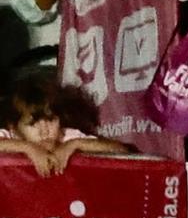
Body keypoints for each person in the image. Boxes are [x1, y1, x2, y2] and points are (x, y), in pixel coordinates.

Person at [0, 71, 132, 175]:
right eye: (33, 124)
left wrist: (74, 144)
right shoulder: (9, 136)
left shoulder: (66, 136)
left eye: (51, 120)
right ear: (14, 128)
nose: (44, 131)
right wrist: (28, 148)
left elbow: (122, 151)